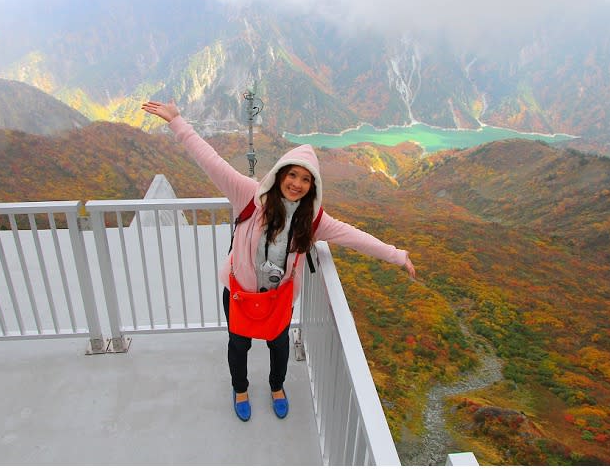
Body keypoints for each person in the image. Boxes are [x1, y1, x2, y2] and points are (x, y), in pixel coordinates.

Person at [141, 100, 416, 422]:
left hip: (278, 296)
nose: (297, 183)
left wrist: (397, 255)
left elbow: (354, 237)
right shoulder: (249, 195)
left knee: (278, 344)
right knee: (238, 343)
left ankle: (276, 387)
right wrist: (178, 122)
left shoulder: (313, 219)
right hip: (240, 291)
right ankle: (240, 389)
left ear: (313, 186)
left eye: (305, 179)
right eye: (292, 174)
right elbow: (211, 162)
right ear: (280, 174)